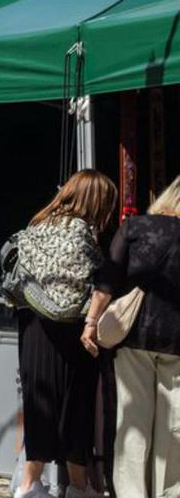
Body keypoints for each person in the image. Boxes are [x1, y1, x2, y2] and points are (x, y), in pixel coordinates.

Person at [13, 169, 117, 498]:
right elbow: (104, 278)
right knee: (76, 408)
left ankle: (30, 486)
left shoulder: (36, 225)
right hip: (74, 331)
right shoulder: (83, 232)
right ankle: (78, 486)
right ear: (95, 201)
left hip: (34, 327)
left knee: (41, 407)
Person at [86, 175, 180, 497]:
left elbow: (106, 282)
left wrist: (91, 324)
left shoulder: (135, 228)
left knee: (133, 424)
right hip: (178, 344)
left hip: (135, 337)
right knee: (174, 428)